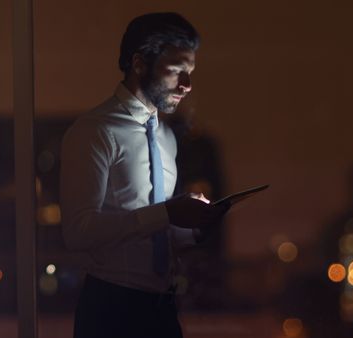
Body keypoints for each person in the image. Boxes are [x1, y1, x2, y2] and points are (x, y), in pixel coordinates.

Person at [60, 12, 229, 338]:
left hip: (162, 308)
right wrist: (168, 212)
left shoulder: (165, 138)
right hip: (110, 307)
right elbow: (78, 232)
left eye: (190, 73)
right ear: (139, 64)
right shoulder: (94, 131)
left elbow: (156, 232)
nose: (187, 85)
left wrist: (195, 228)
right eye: (176, 71)